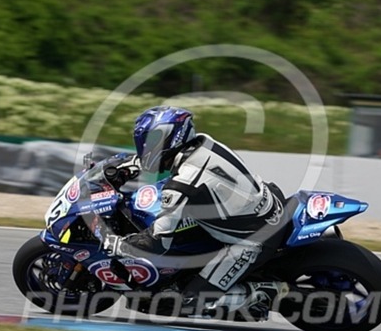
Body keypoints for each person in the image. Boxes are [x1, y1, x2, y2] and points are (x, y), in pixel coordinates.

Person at [102, 106, 288, 320]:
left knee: (189, 302)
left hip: (253, 239)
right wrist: (128, 165)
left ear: (169, 138)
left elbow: (157, 242)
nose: (145, 148)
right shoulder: (203, 143)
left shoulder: (185, 181)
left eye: (150, 143)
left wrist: (117, 245)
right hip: (260, 205)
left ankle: (266, 293)